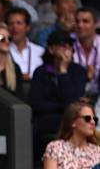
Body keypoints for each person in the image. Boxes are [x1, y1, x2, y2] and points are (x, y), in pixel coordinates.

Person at [30, 29, 87, 161]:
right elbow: (37, 104)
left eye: (69, 46)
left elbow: (73, 103)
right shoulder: (41, 72)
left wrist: (63, 72)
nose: (67, 49)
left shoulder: (79, 72)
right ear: (51, 49)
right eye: (62, 45)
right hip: (46, 121)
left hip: (72, 121)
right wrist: (63, 106)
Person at [7, 7, 44, 81]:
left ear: (28, 27)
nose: (14, 27)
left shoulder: (41, 51)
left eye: (19, 23)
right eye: (11, 23)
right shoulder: (3, 50)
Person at [73, 7, 100, 97]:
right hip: (75, 96)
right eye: (77, 21)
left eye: (85, 21)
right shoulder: (66, 44)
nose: (80, 25)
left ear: (96, 24)